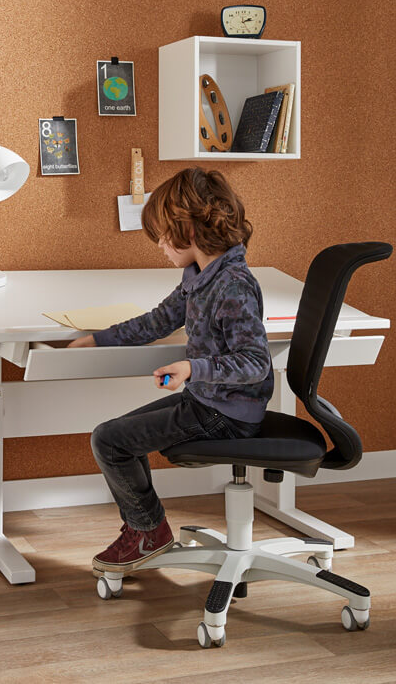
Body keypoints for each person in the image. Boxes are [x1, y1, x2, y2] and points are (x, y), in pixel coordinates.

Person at [68, 167, 273, 574]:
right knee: (114, 437)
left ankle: (148, 531)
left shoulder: (233, 283)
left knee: (109, 440)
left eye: (163, 234)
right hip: (207, 402)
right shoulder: (199, 276)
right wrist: (97, 340)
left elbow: (256, 362)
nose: (160, 244)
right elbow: (159, 320)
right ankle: (147, 529)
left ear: (189, 230)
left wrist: (192, 368)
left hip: (226, 415)